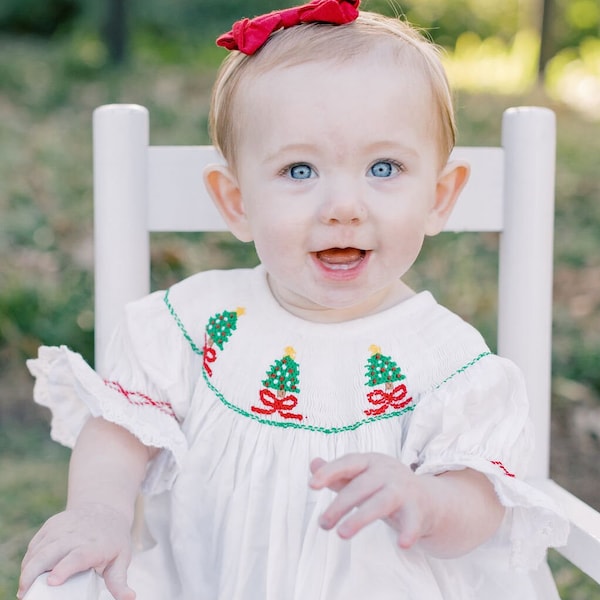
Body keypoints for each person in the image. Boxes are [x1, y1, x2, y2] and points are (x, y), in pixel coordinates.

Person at [19, 1, 568, 599]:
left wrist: (427, 500)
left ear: (439, 197)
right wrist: (99, 511)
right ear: (235, 202)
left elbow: (480, 501)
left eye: (384, 167)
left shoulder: (450, 360)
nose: (343, 206)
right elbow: (121, 431)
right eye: (299, 170)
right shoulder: (197, 325)